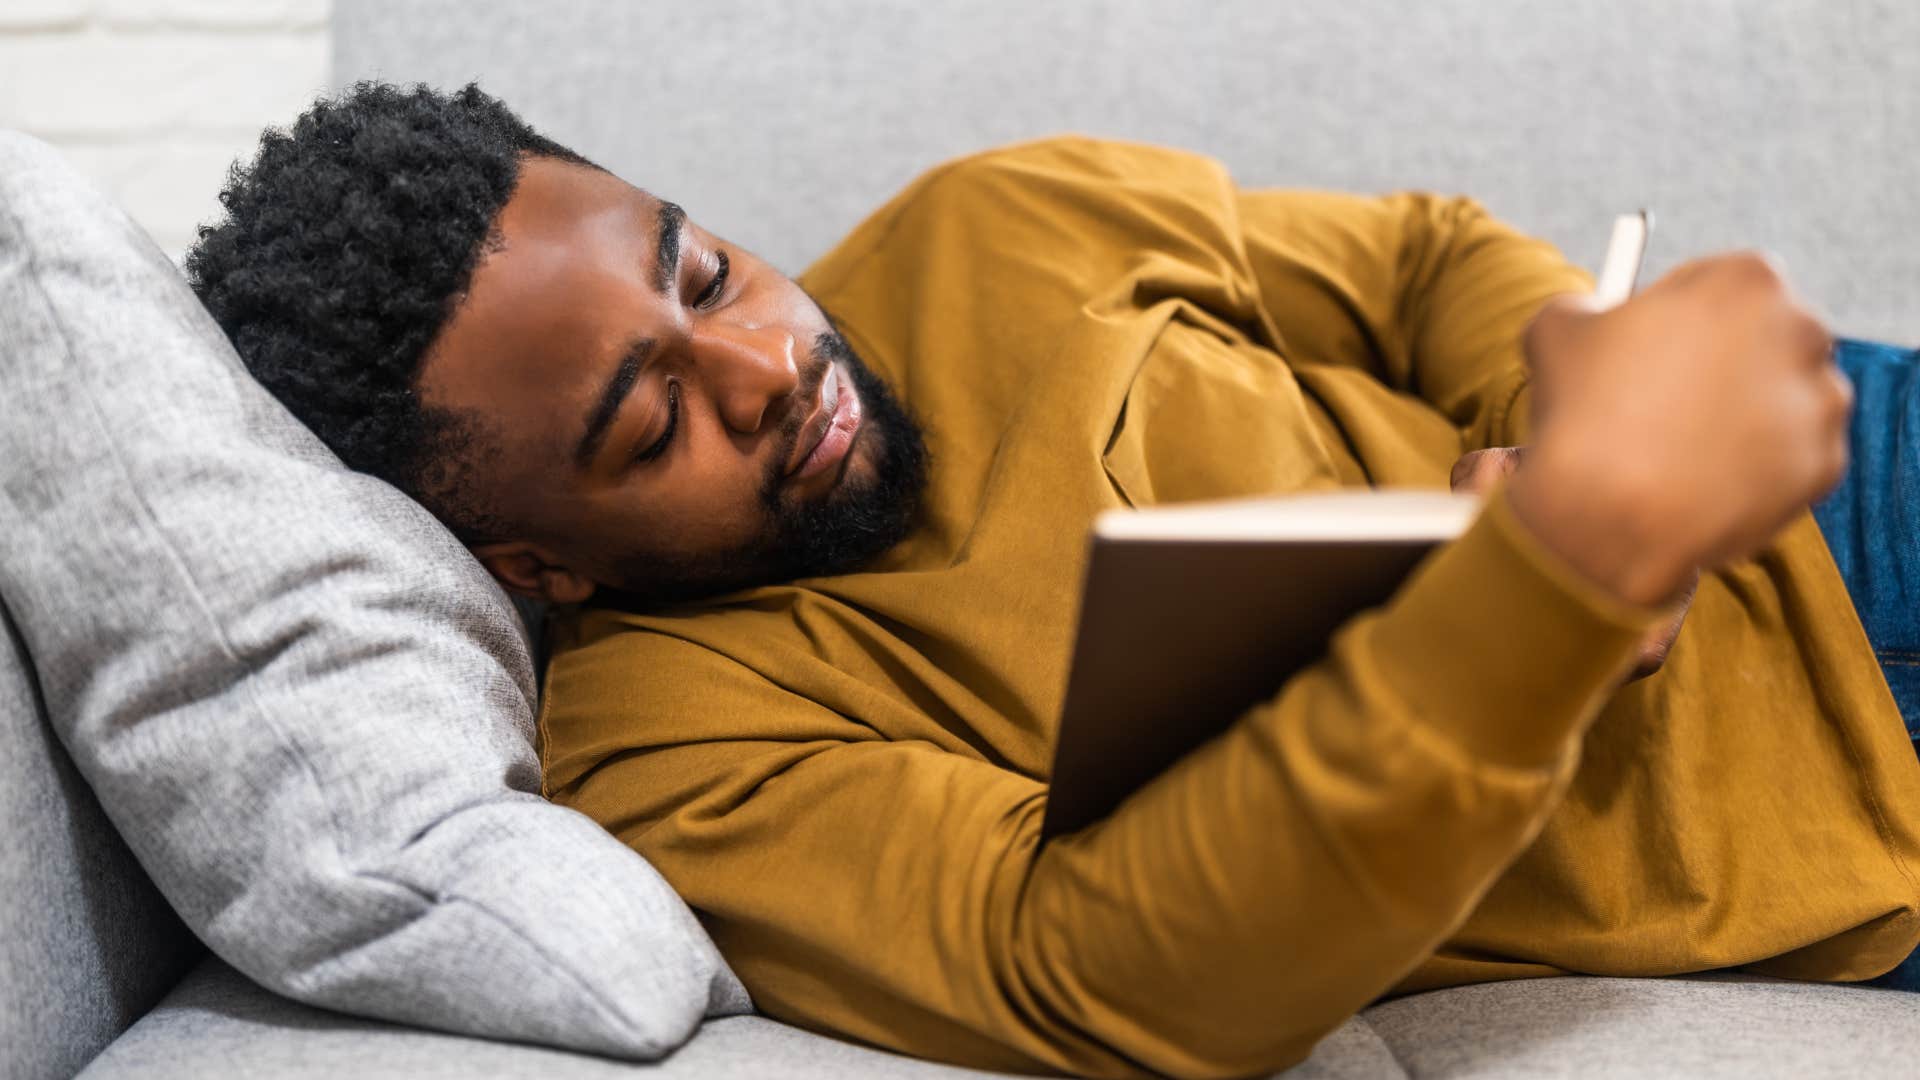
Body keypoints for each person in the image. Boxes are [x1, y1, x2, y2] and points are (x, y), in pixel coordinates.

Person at [188, 82, 1920, 1077]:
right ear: (534, 564)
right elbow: (1089, 963)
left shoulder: (993, 221)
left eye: (704, 271)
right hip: (1864, 814)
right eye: (654, 428)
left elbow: (1420, 259)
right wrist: (1559, 588)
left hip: (1844, 466)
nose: (766, 368)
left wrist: (1562, 422)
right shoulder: (676, 751)